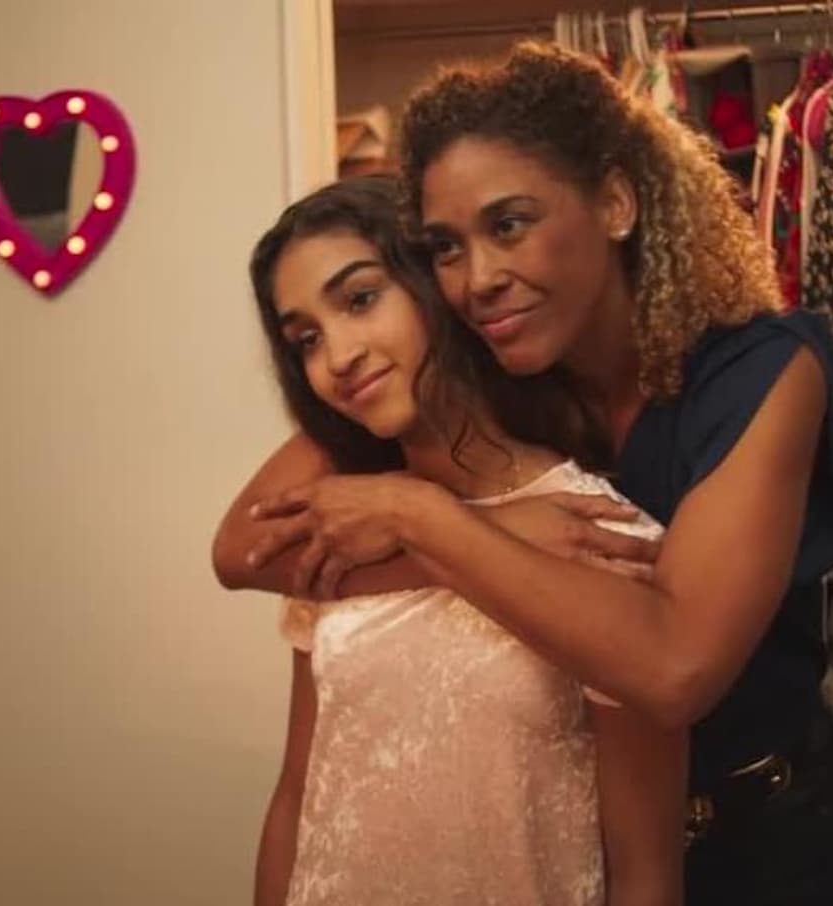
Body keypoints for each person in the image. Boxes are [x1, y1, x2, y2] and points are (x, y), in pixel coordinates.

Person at [216, 43, 833, 905]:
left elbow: (674, 667)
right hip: (584, 842)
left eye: (509, 225)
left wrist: (419, 516)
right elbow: (243, 549)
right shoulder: (483, 363)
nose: (479, 278)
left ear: (614, 202)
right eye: (446, 247)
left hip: (765, 834)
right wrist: (479, 533)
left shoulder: (760, 373)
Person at [246, 176, 685, 906]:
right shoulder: (346, 528)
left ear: (436, 286)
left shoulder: (598, 536)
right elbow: (298, 793)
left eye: (360, 299)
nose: (337, 357)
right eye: (307, 340)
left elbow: (646, 873)